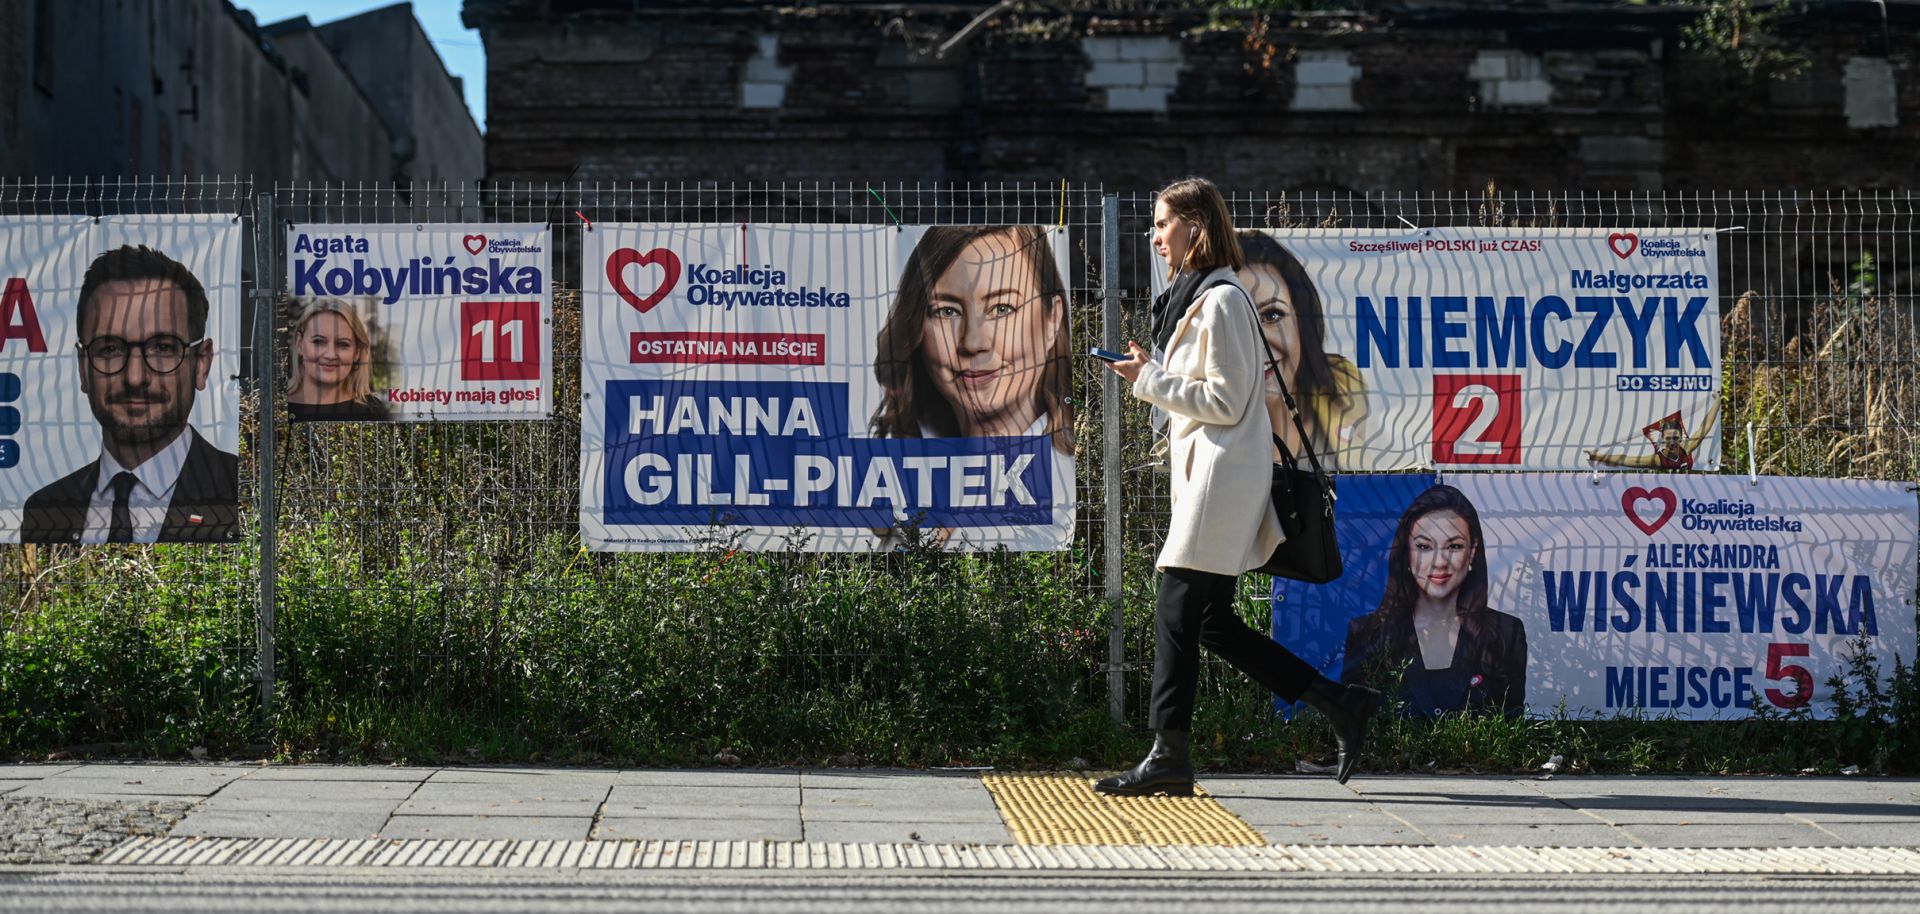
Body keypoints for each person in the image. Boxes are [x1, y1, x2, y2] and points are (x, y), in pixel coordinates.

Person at [1098, 177, 1379, 795]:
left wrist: (1148, 380)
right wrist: (1155, 371)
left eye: (1163, 223)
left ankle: (1168, 755)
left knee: (1175, 606)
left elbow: (1225, 402)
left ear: (1196, 226)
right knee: (1210, 624)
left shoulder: (1222, 300)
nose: (1155, 236)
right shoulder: (1199, 299)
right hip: (1211, 476)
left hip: (1220, 481)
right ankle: (1340, 704)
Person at [870, 225, 1073, 547]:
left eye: (1002, 308)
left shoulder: (1080, 470)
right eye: (946, 311)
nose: (973, 342)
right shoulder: (890, 473)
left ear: (1052, 319)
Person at [22, 245, 237, 544]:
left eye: (163, 347)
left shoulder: (240, 493)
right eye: (110, 349)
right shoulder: (44, 509)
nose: (135, 377)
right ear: (83, 368)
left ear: (201, 363)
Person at [1341, 484, 1527, 717]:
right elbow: (1353, 721)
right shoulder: (1366, 633)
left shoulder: (1506, 633)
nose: (1440, 561)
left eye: (1454, 546)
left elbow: (1510, 720)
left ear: (1472, 552)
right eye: (1424, 547)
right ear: (1406, 553)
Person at [1235, 231, 1367, 469]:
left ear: (1302, 322)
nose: (1256, 341)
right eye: (1236, 320)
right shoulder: (1196, 424)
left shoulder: (1343, 384)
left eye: (1271, 315)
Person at [286, 298, 390, 422]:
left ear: (357, 352)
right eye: (318, 341)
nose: (331, 355)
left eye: (343, 344)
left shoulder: (374, 412)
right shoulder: (274, 407)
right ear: (299, 344)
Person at [1587, 400, 1720, 470]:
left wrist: (1717, 402)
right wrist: (1597, 456)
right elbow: (1626, 459)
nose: (1672, 442)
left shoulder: (1687, 448)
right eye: (1668, 438)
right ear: (1662, 438)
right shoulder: (1657, 460)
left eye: (1675, 438)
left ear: (1681, 437)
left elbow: (1705, 427)